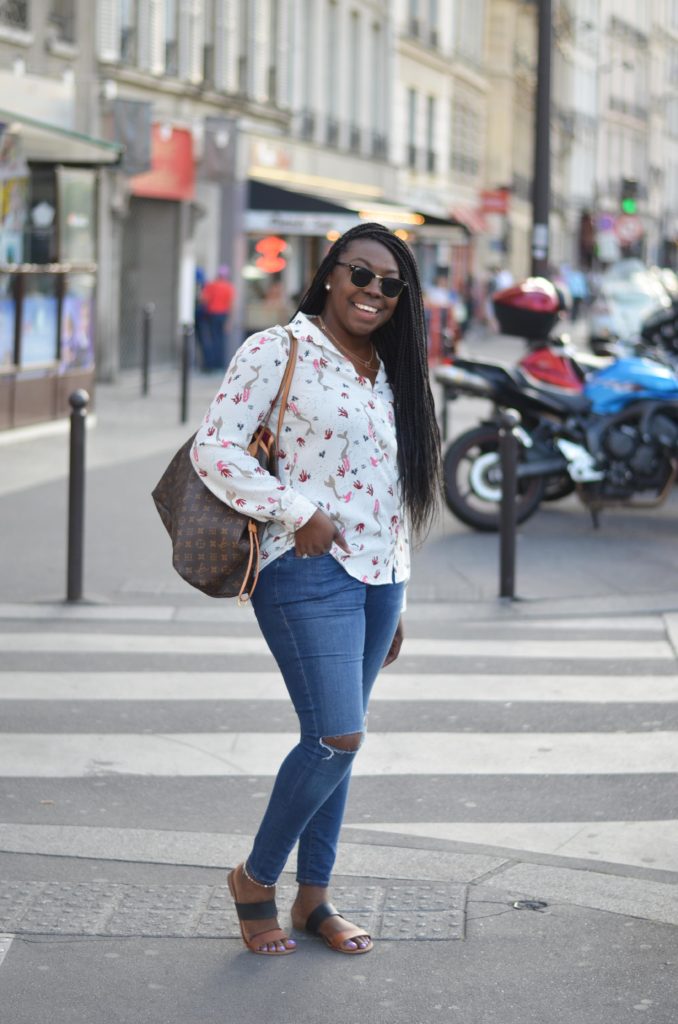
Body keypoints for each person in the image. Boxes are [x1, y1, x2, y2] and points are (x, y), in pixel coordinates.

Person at [192, 222, 441, 957]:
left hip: (379, 579)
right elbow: (216, 447)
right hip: (304, 570)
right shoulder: (279, 350)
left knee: (341, 744)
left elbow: (395, 491)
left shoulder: (390, 367)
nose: (372, 292)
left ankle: (315, 898)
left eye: (389, 285)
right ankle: (254, 879)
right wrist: (296, 511)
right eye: (359, 275)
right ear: (330, 273)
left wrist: (401, 590)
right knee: (336, 735)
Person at [200, 264, 236, 370]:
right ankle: (220, 365)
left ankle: (211, 364)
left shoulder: (211, 285)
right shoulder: (229, 287)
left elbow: (204, 300)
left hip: (212, 315)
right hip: (224, 316)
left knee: (212, 339)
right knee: (221, 341)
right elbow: (231, 305)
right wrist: (229, 322)